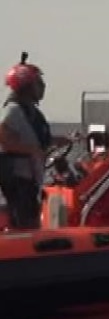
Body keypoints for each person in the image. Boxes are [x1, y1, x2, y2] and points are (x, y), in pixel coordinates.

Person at [0, 53, 73, 229]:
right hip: (18, 178)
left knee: (30, 216)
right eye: (38, 83)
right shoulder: (13, 111)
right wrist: (32, 150)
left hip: (30, 177)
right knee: (23, 220)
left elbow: (37, 138)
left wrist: (61, 140)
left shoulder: (30, 112)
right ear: (25, 86)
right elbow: (4, 139)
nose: (43, 87)